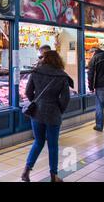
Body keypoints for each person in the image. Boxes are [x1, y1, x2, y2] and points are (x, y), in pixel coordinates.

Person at [21, 51, 72, 182]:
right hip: (53, 113)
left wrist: (36, 101)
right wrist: (59, 109)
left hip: (37, 112)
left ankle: (26, 170)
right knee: (53, 145)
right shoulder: (62, 76)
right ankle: (53, 175)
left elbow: (28, 92)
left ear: (45, 59)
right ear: (58, 60)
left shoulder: (36, 72)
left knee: (38, 142)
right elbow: (65, 98)